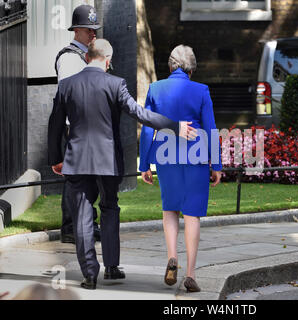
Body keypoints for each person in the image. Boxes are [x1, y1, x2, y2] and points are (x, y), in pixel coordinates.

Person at [48, 39, 197, 290]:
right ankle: (112, 266)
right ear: (107, 60)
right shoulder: (115, 84)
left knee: (82, 216)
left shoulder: (66, 85)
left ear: (87, 58)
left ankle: (89, 274)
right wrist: (174, 125)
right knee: (109, 208)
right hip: (107, 161)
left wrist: (56, 159)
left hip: (77, 160)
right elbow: (140, 113)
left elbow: (54, 125)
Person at [139, 45, 222, 293]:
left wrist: (144, 163)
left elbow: (147, 128)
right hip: (195, 156)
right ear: (191, 69)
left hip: (165, 155)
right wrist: (216, 164)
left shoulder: (155, 88)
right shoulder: (201, 90)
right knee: (192, 214)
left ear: (170, 66)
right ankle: (190, 273)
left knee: (170, 209)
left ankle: (172, 256)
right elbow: (211, 128)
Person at [55, 4, 103, 244]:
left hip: (87, 127)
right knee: (74, 179)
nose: (93, 33)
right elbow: (70, 95)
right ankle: (71, 226)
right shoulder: (69, 58)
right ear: (76, 30)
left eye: (94, 29)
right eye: (88, 29)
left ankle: (85, 223)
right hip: (74, 127)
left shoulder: (87, 56)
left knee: (88, 178)